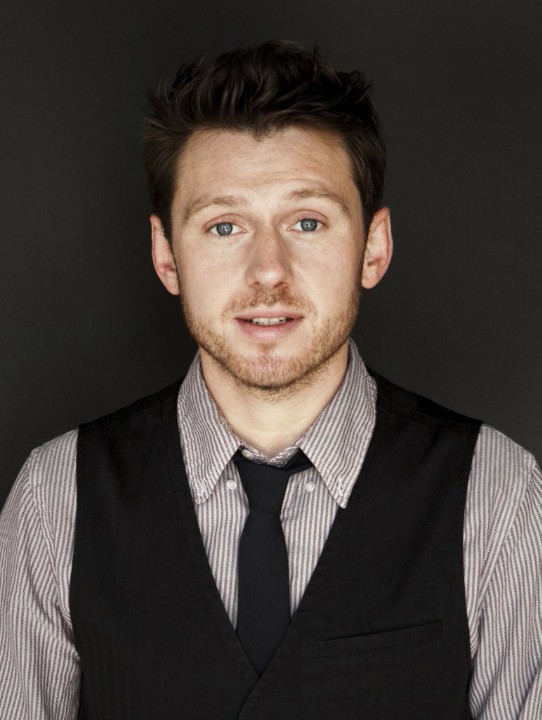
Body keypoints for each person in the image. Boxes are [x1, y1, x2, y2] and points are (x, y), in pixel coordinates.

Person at [0, 40, 540, 720]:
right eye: (225, 226)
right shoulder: (56, 499)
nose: (268, 271)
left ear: (373, 247)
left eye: (307, 222)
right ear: (167, 256)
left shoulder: (497, 496)